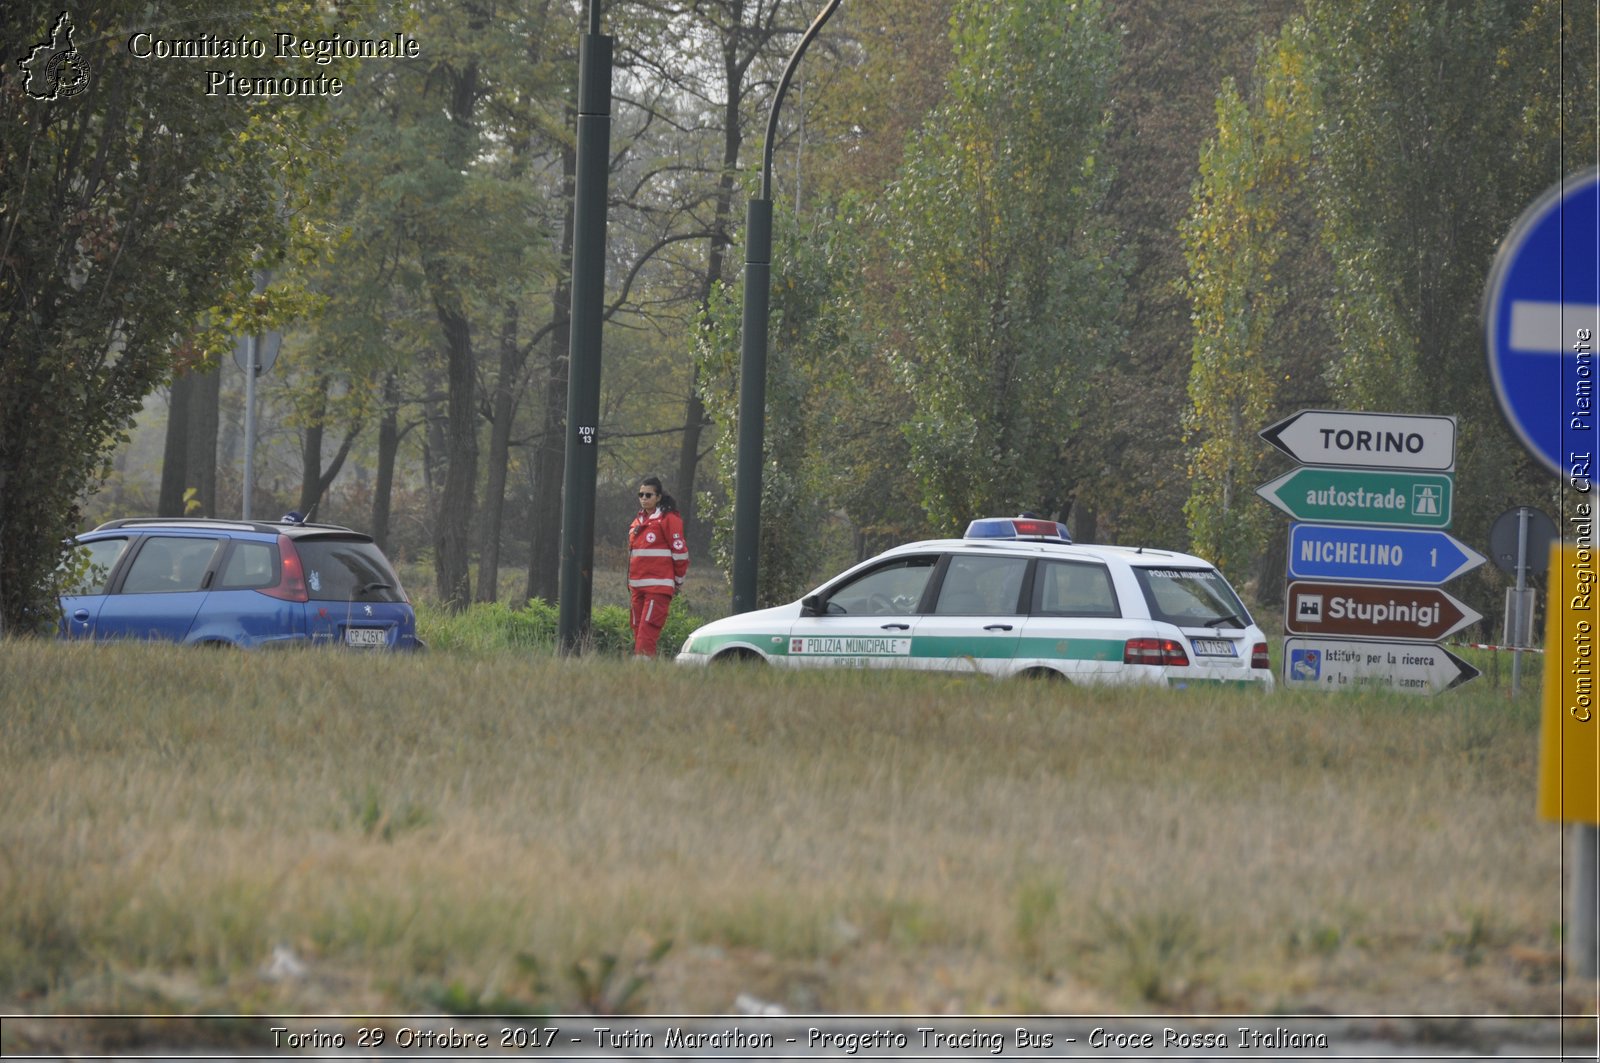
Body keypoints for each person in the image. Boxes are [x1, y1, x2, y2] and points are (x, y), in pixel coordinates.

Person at [627, 476, 688, 658]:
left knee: (647, 630)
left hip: (658, 586)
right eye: (641, 494)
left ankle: (642, 672)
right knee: (637, 629)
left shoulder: (668, 519)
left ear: (659, 497)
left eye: (648, 495)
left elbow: (680, 553)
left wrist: (677, 580)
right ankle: (641, 668)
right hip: (637, 587)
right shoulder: (638, 521)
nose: (644, 498)